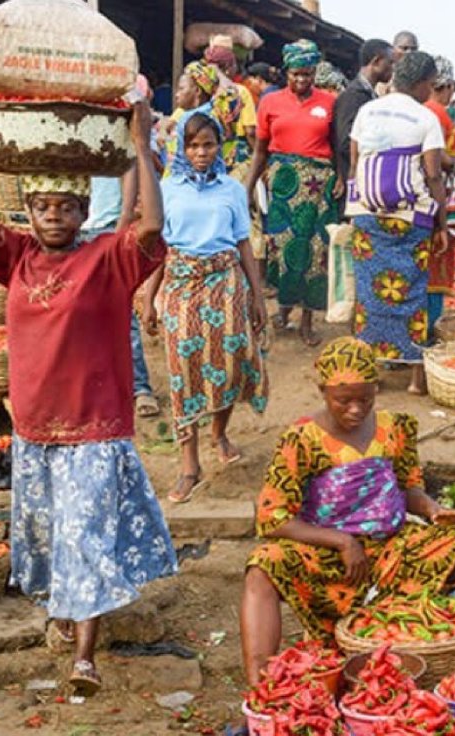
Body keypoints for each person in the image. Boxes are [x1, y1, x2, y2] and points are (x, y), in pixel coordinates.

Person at [0, 89, 177, 694]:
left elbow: (151, 224)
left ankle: (85, 658)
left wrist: (141, 141)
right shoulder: (14, 255)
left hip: (93, 429)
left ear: (81, 213)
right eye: (43, 205)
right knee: (53, 540)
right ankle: (68, 624)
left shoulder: (107, 258)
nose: (53, 216)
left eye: (66, 207)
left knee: (85, 539)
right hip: (35, 430)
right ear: (29, 211)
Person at [240, 337, 455, 683]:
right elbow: (272, 518)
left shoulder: (394, 428)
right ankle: (262, 687)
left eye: (365, 399)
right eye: (343, 400)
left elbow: (407, 487)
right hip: (326, 555)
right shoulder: (302, 439)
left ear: (376, 389)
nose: (355, 409)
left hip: (394, 549)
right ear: (323, 391)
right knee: (261, 567)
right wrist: (341, 541)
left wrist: (431, 508)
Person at [142, 110, 268, 504]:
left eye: (208, 144)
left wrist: (257, 295)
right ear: (182, 146)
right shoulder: (168, 187)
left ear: (219, 146)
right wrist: (149, 298)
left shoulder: (231, 188)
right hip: (181, 285)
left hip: (226, 283)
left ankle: (219, 433)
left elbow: (243, 243)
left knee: (228, 363)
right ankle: (188, 465)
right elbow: (159, 249)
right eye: (193, 145)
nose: (201, 152)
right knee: (183, 372)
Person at [346, 51, 447, 395]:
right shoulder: (425, 117)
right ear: (420, 84)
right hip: (410, 218)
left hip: (367, 215)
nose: (431, 92)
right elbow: (433, 176)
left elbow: (355, 163)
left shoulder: (367, 110)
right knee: (413, 292)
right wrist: (442, 224)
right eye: (431, 86)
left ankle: (369, 373)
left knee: (369, 294)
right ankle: (416, 379)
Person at [247, 40, 339, 347]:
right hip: (284, 186)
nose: (302, 80)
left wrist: (342, 178)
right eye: (296, 74)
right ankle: (284, 312)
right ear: (286, 71)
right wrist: (248, 187)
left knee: (315, 252)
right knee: (282, 250)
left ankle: (307, 320)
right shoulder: (270, 103)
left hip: (318, 187)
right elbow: (260, 150)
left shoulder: (329, 102)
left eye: (308, 74)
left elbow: (339, 148)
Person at [83, 168, 161, 419]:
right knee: (81, 317)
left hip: (107, 226)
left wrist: (124, 218)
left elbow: (129, 166)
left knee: (120, 310)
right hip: (74, 228)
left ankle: (139, 387)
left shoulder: (106, 131)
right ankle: (95, 389)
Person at [425, 56, 455, 331]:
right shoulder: (437, 112)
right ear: (443, 86)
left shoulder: (424, 110)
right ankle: (429, 330)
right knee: (434, 266)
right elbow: (440, 161)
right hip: (437, 198)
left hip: (425, 196)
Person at [332, 39, 394, 210]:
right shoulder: (354, 96)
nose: (393, 68)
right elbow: (345, 142)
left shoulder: (368, 95)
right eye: (390, 62)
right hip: (354, 181)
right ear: (376, 61)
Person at [203, 43, 258, 181]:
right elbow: (250, 131)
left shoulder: (202, 90)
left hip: (206, 151)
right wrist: (258, 157)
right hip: (235, 153)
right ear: (228, 67)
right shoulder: (239, 91)